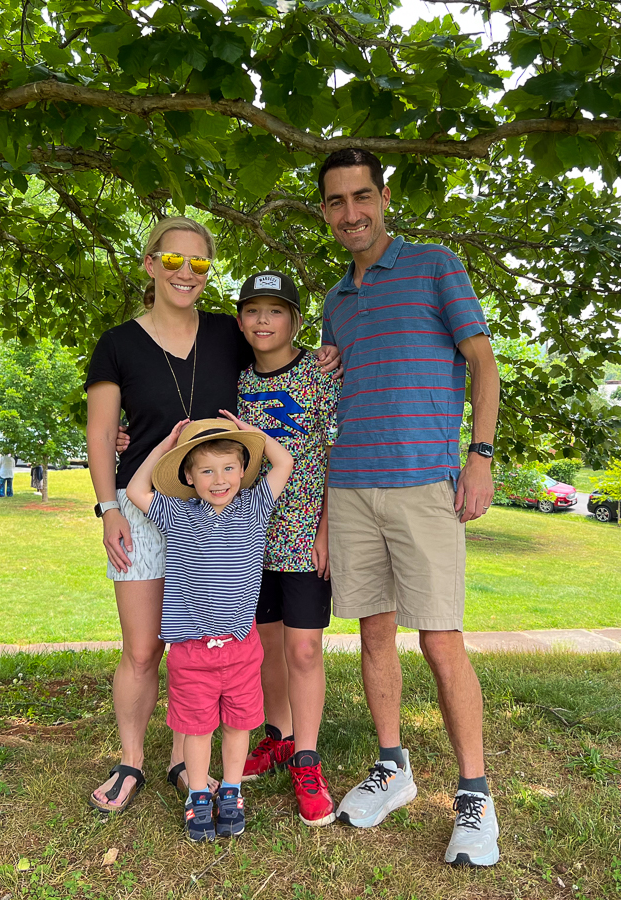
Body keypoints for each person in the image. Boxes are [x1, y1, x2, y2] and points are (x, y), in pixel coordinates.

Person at [86, 216, 340, 813]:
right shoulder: (117, 344)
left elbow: (278, 346)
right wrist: (107, 508)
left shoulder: (228, 332)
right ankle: (130, 762)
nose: (186, 272)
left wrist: (327, 352)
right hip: (144, 507)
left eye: (199, 263)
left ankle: (186, 760)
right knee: (143, 648)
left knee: (200, 635)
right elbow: (101, 434)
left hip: (224, 513)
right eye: (173, 259)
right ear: (150, 264)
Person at [318, 149, 501, 867]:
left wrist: (479, 455)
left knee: (440, 641)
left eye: (362, 196)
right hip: (350, 486)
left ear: (384, 197)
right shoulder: (335, 301)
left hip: (425, 483)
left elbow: (482, 363)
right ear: (325, 211)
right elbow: (331, 393)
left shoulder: (434, 266)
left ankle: (475, 795)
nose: (351, 212)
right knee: (374, 633)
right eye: (337, 201)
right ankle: (392, 766)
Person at [124, 416, 293, 841]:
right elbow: (136, 490)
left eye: (229, 468)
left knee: (239, 724)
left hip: (240, 647)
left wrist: (252, 434)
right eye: (206, 471)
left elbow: (284, 463)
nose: (219, 480)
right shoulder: (178, 513)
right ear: (188, 476)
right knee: (196, 728)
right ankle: (198, 794)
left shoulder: (254, 507)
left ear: (243, 470)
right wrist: (166, 445)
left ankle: (231, 791)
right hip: (191, 650)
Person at [235, 271, 340, 827]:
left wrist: (327, 528)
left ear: (295, 320)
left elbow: (336, 452)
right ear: (240, 320)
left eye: (275, 310)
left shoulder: (320, 375)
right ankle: (278, 736)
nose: (263, 321)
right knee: (267, 645)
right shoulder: (235, 380)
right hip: (247, 538)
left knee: (303, 649)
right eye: (253, 310)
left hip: (303, 535)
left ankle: (307, 758)